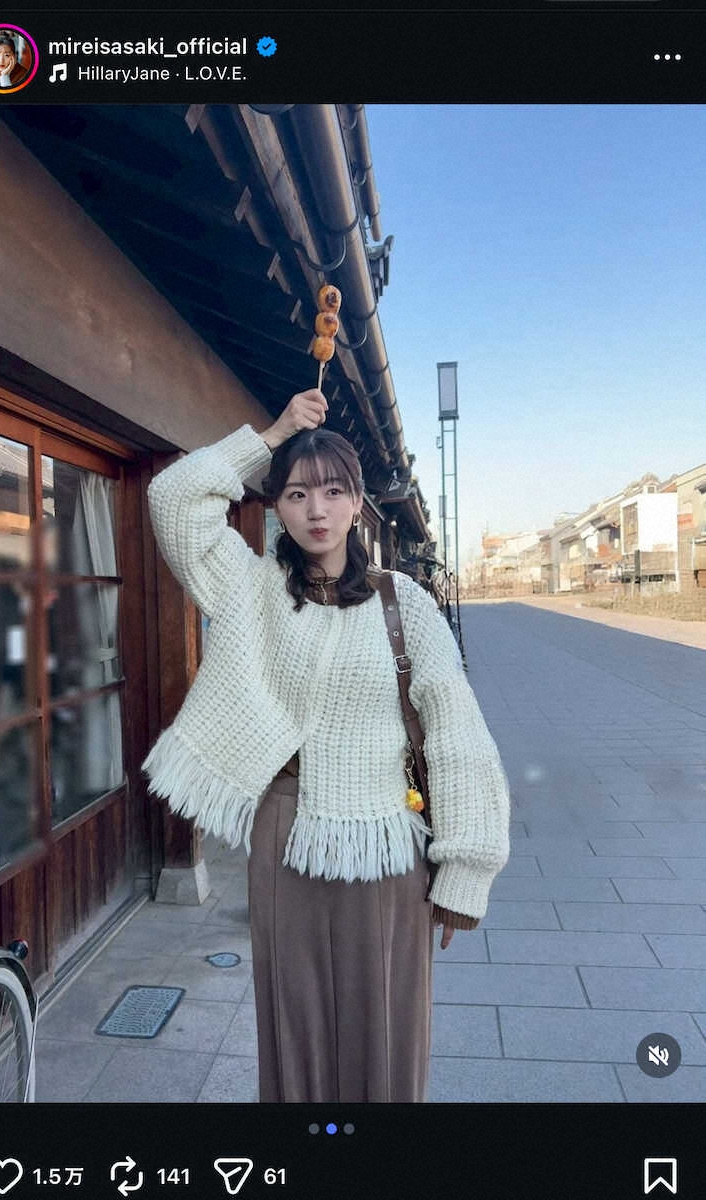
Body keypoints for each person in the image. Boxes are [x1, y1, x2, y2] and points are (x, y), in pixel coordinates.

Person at [142, 388, 511, 1102]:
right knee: (295, 1022)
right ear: (276, 507)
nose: (317, 509)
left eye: (334, 491)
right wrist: (271, 433)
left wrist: (465, 871)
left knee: (385, 1022)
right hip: (284, 829)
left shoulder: (404, 603)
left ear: (357, 505)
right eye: (297, 493)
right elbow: (173, 498)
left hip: (388, 839)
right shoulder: (250, 587)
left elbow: (456, 732)